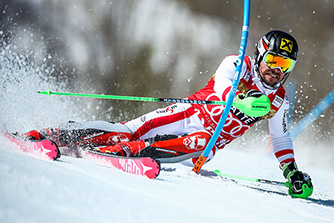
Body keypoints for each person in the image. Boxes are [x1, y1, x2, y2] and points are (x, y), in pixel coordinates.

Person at [24, 30, 313, 197]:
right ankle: (51, 134)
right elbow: (224, 88)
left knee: (201, 141)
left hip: (202, 145)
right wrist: (241, 100)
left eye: (285, 66)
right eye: (273, 60)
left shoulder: (280, 100)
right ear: (261, 55)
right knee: (127, 130)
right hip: (188, 115)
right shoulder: (238, 64)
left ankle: (127, 152)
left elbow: (281, 140)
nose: (276, 70)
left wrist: (291, 172)